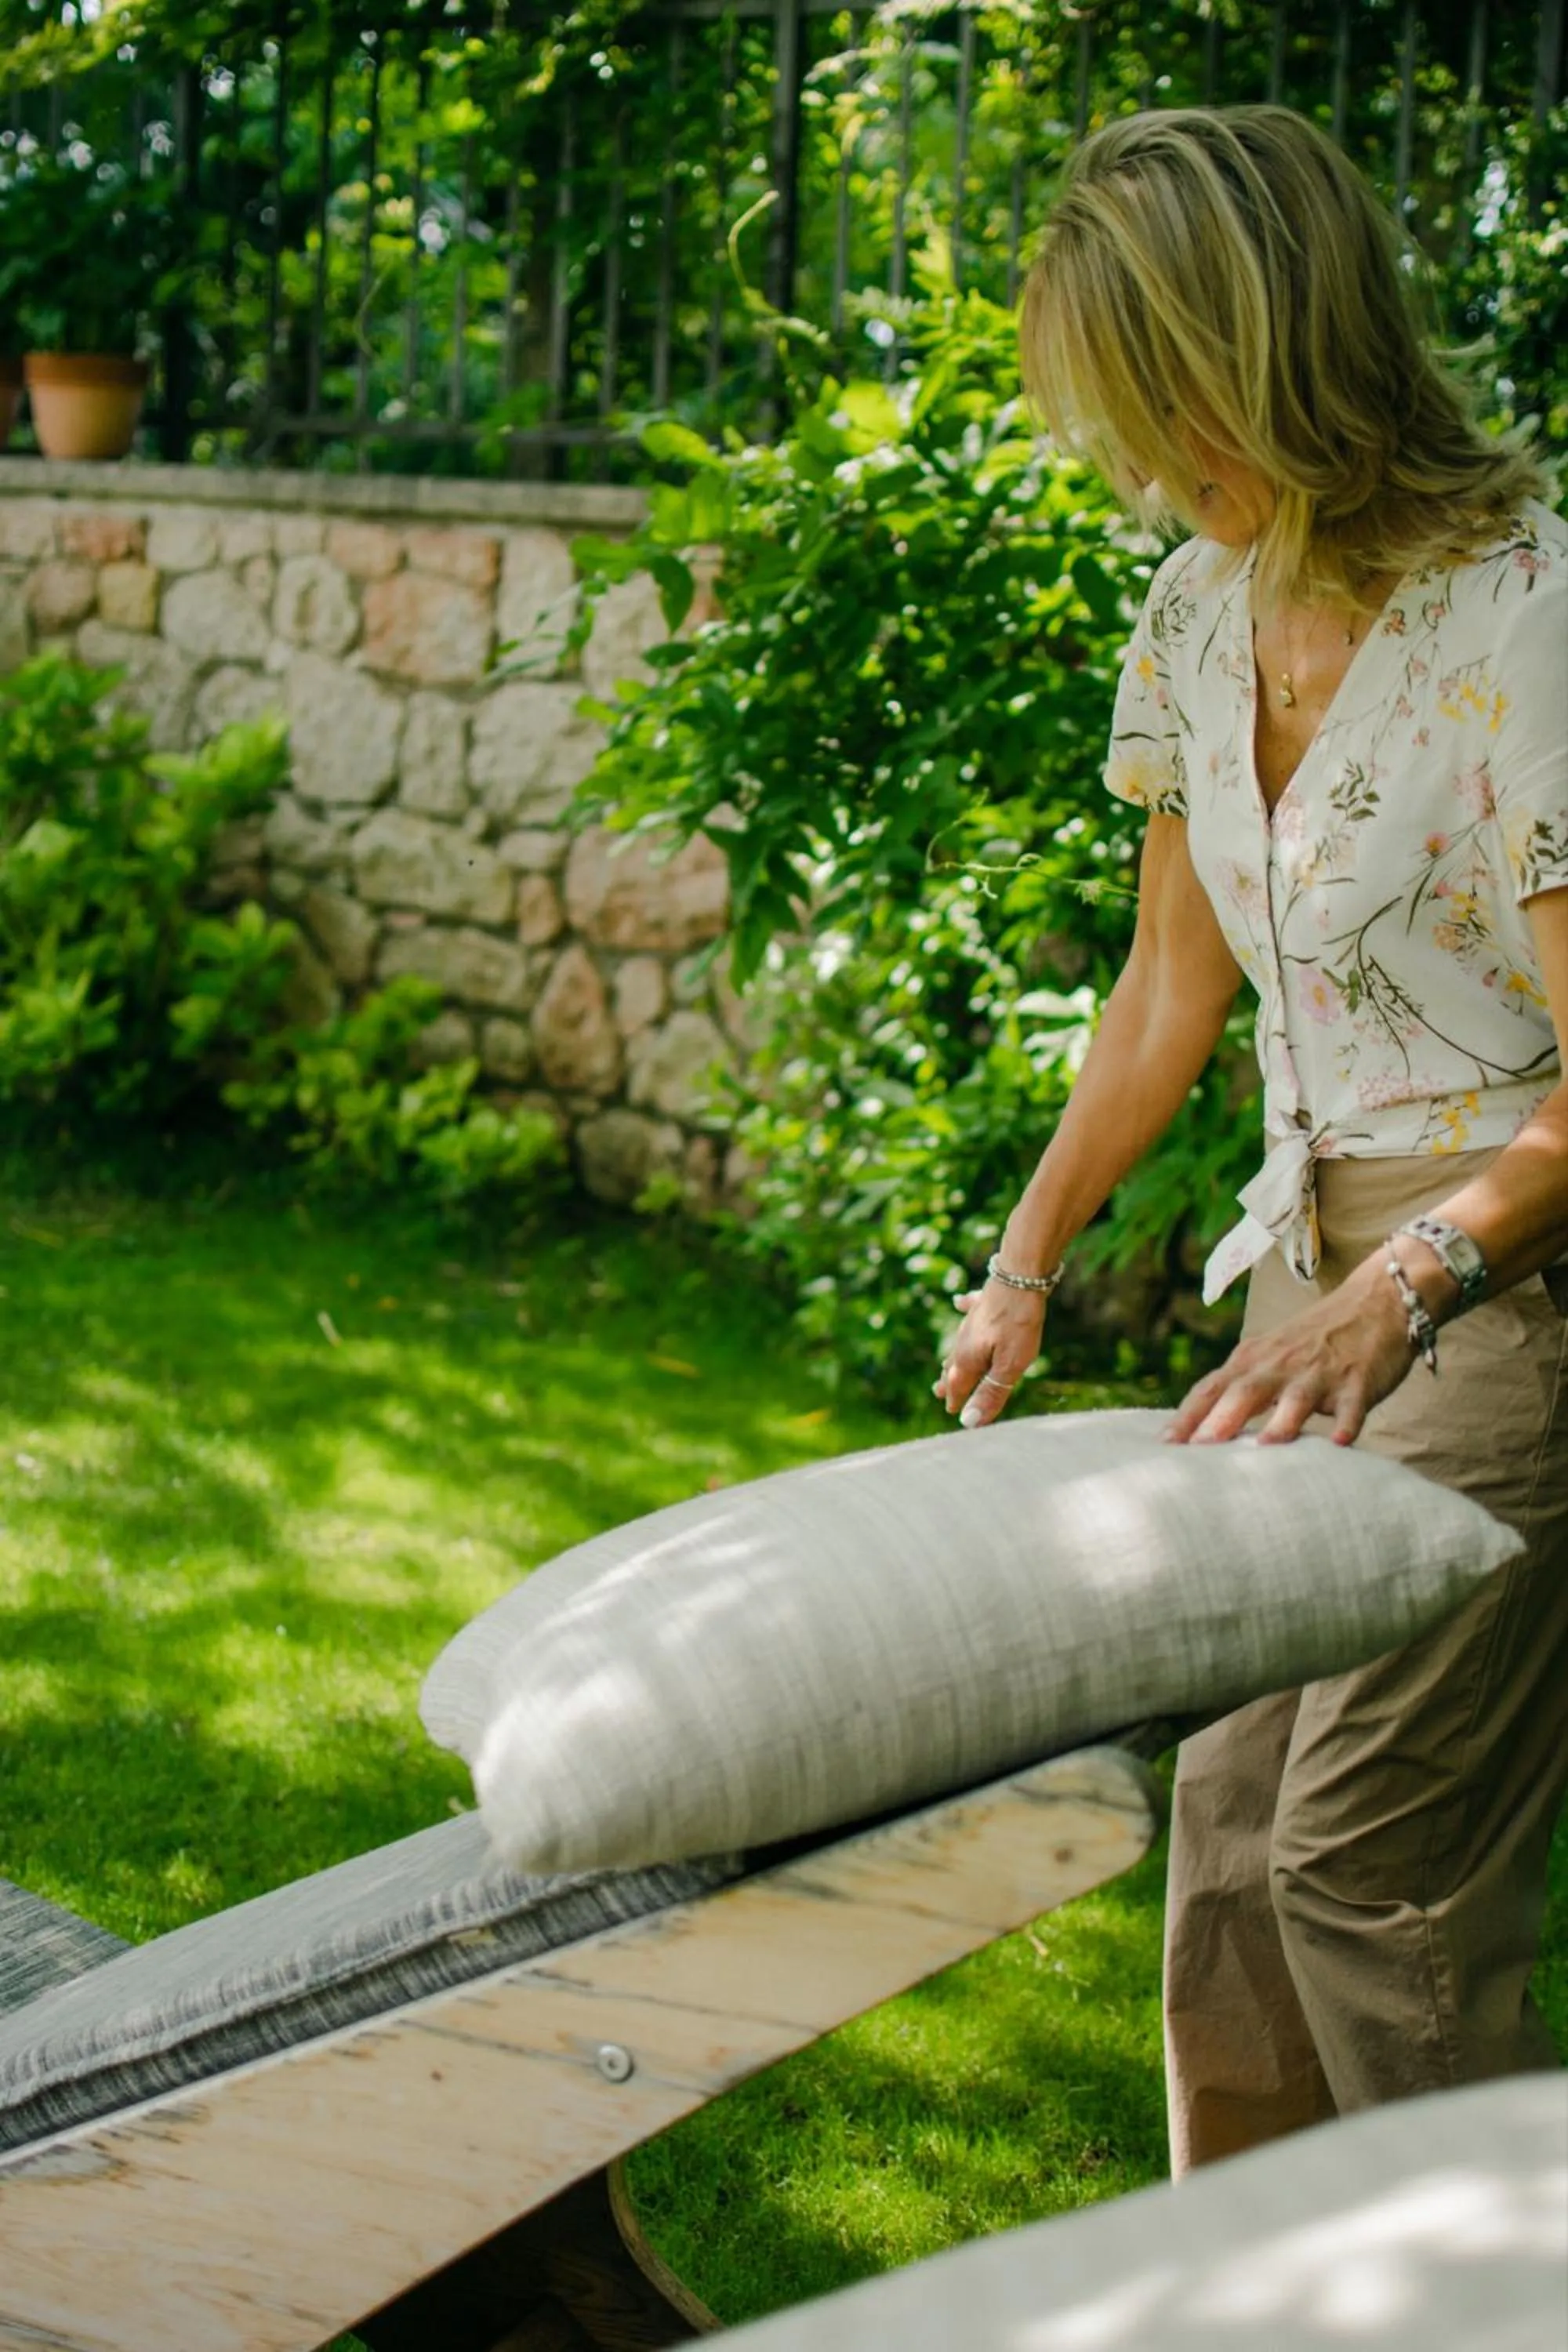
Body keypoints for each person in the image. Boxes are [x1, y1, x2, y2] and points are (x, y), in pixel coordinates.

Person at [935, 104, 1568, 2175]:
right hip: (1301, 1268)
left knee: (1366, 1869)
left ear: (1275, 349)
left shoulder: (1526, 616)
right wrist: (1026, 1259)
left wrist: (1413, 1282)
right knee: (1221, 1853)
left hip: (1503, 1275)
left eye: (1164, 401)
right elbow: (1162, 998)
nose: (1144, 463)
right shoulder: (1200, 617)